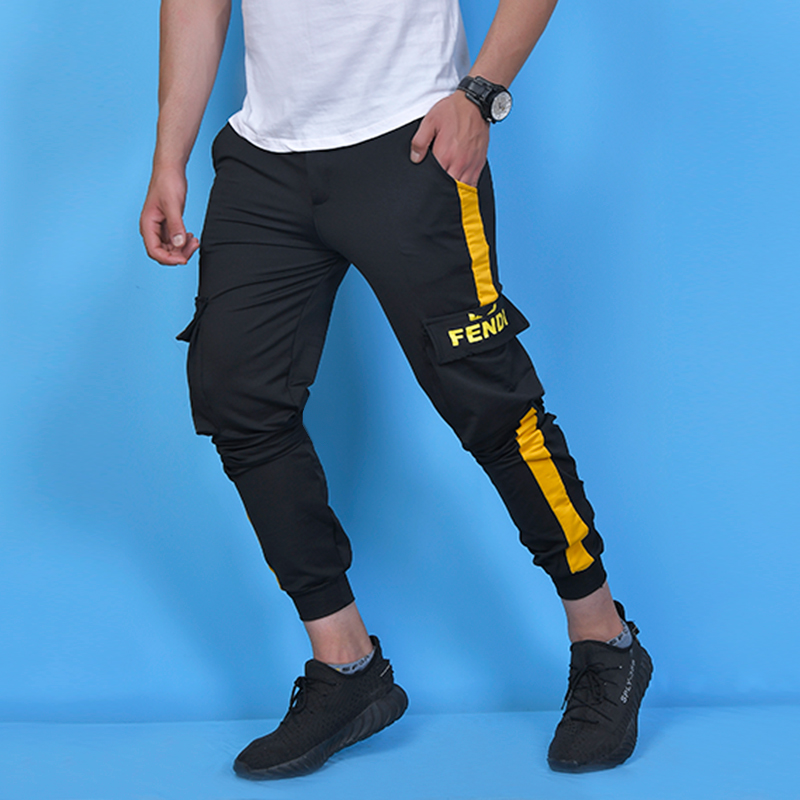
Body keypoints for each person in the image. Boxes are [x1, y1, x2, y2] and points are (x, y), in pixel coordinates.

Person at [140, 0, 652, 778]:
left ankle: (605, 639)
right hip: (265, 157)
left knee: (492, 406)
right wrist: (169, 156)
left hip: (410, 142)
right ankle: (347, 667)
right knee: (238, 398)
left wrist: (480, 93)